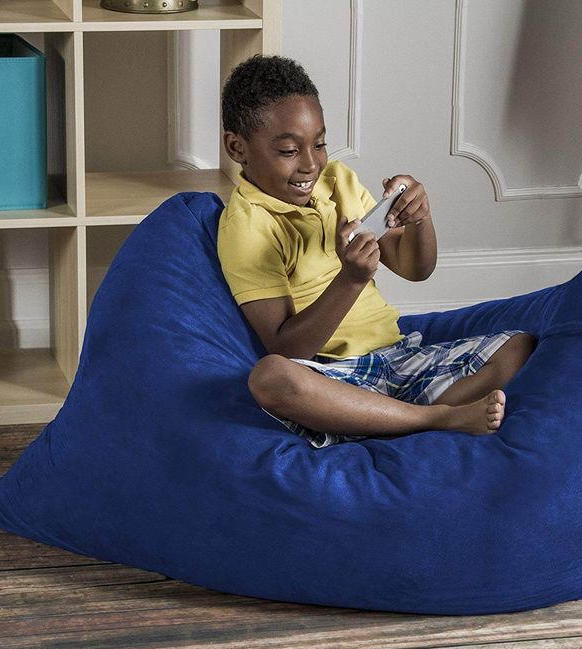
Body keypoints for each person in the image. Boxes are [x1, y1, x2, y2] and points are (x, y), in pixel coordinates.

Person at [218, 55, 537, 449]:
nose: (311, 164)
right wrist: (350, 280)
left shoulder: (338, 181)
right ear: (237, 147)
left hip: (399, 357)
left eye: (319, 144)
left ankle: (390, 421)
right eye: (288, 151)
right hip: (336, 377)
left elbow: (415, 268)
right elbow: (286, 348)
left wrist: (419, 219)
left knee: (519, 345)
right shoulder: (247, 226)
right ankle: (435, 418)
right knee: (271, 378)